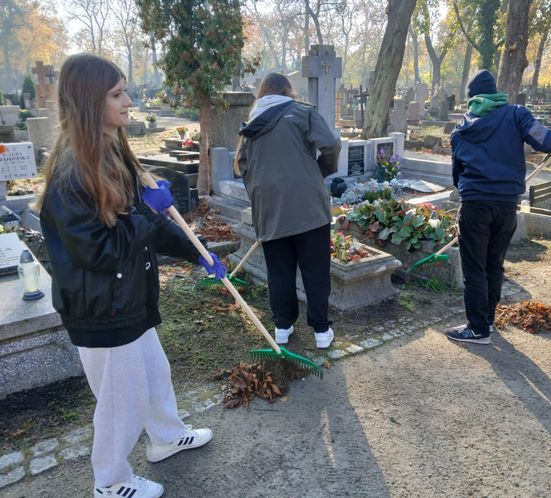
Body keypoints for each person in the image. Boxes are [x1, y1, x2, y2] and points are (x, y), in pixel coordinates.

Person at [36, 53, 226, 498]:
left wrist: (196, 253)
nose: (128, 102)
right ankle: (111, 479)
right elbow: (100, 251)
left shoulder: (111, 153)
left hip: (129, 297)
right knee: (121, 400)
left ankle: (164, 437)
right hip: (100, 307)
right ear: (89, 102)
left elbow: (148, 224)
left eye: (126, 91)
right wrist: (144, 216)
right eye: (117, 94)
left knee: (154, 374)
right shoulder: (71, 173)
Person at [446, 69, 551, 345]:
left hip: (475, 204)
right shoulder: (516, 115)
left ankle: (478, 329)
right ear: (495, 92)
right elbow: (546, 142)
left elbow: (457, 172)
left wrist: (468, 190)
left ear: (472, 98)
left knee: (475, 267)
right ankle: (486, 321)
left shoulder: (462, 129)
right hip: (506, 205)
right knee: (494, 264)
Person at [234, 72, 340, 349]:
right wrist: (319, 172)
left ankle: (283, 326)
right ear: (287, 90)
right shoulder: (302, 113)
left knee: (279, 270)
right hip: (309, 207)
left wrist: (261, 192)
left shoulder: (251, 125)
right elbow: (330, 143)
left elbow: (242, 165)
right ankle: (320, 332)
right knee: (315, 269)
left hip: (270, 209)